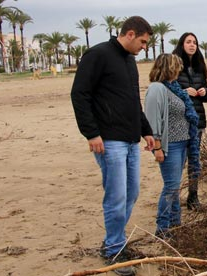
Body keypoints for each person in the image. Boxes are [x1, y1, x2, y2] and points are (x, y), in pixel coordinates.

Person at [71, 16, 154, 276]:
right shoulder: (97, 55)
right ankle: (115, 248)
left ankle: (112, 240)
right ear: (130, 34)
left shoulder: (130, 62)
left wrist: (146, 131)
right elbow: (79, 94)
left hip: (130, 140)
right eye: (142, 42)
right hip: (108, 140)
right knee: (116, 196)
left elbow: (132, 101)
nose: (144, 47)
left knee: (131, 194)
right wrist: (91, 133)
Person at [144, 53, 199, 239]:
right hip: (171, 145)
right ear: (169, 67)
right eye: (177, 66)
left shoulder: (173, 88)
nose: (180, 70)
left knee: (175, 186)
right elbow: (152, 120)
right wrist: (157, 147)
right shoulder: (157, 89)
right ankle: (162, 227)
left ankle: (175, 222)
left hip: (183, 143)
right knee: (171, 186)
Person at [172, 32, 207, 211]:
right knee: (178, 161)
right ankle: (173, 198)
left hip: (198, 121)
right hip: (180, 122)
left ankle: (193, 197)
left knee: (195, 161)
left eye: (195, 42)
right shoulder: (174, 67)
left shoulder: (199, 67)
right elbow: (168, 90)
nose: (192, 45)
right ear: (182, 44)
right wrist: (183, 92)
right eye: (188, 42)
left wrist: (204, 93)